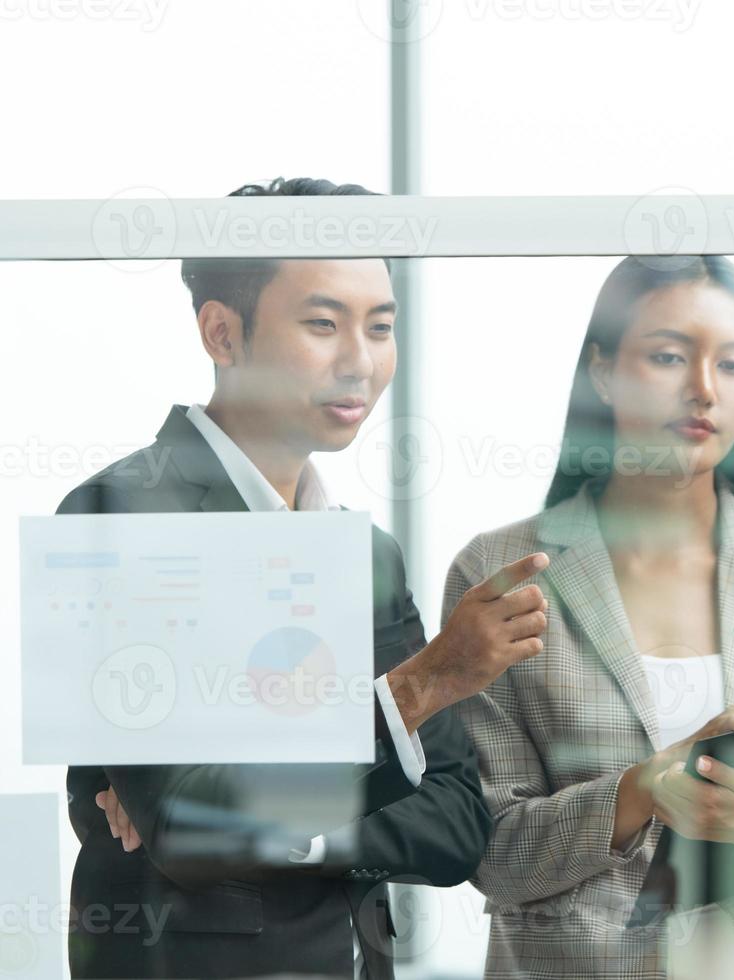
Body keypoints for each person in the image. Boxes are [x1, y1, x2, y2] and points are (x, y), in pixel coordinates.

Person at [62, 177, 548, 979]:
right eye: (323, 324)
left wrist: (262, 822)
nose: (360, 361)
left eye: (381, 327)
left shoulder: (366, 553)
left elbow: (458, 826)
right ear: (222, 332)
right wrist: (416, 692)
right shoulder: (126, 511)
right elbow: (185, 823)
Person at [446, 256, 734, 979]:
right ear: (602, 372)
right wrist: (644, 787)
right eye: (667, 357)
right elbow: (488, 852)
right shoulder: (502, 569)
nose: (705, 391)